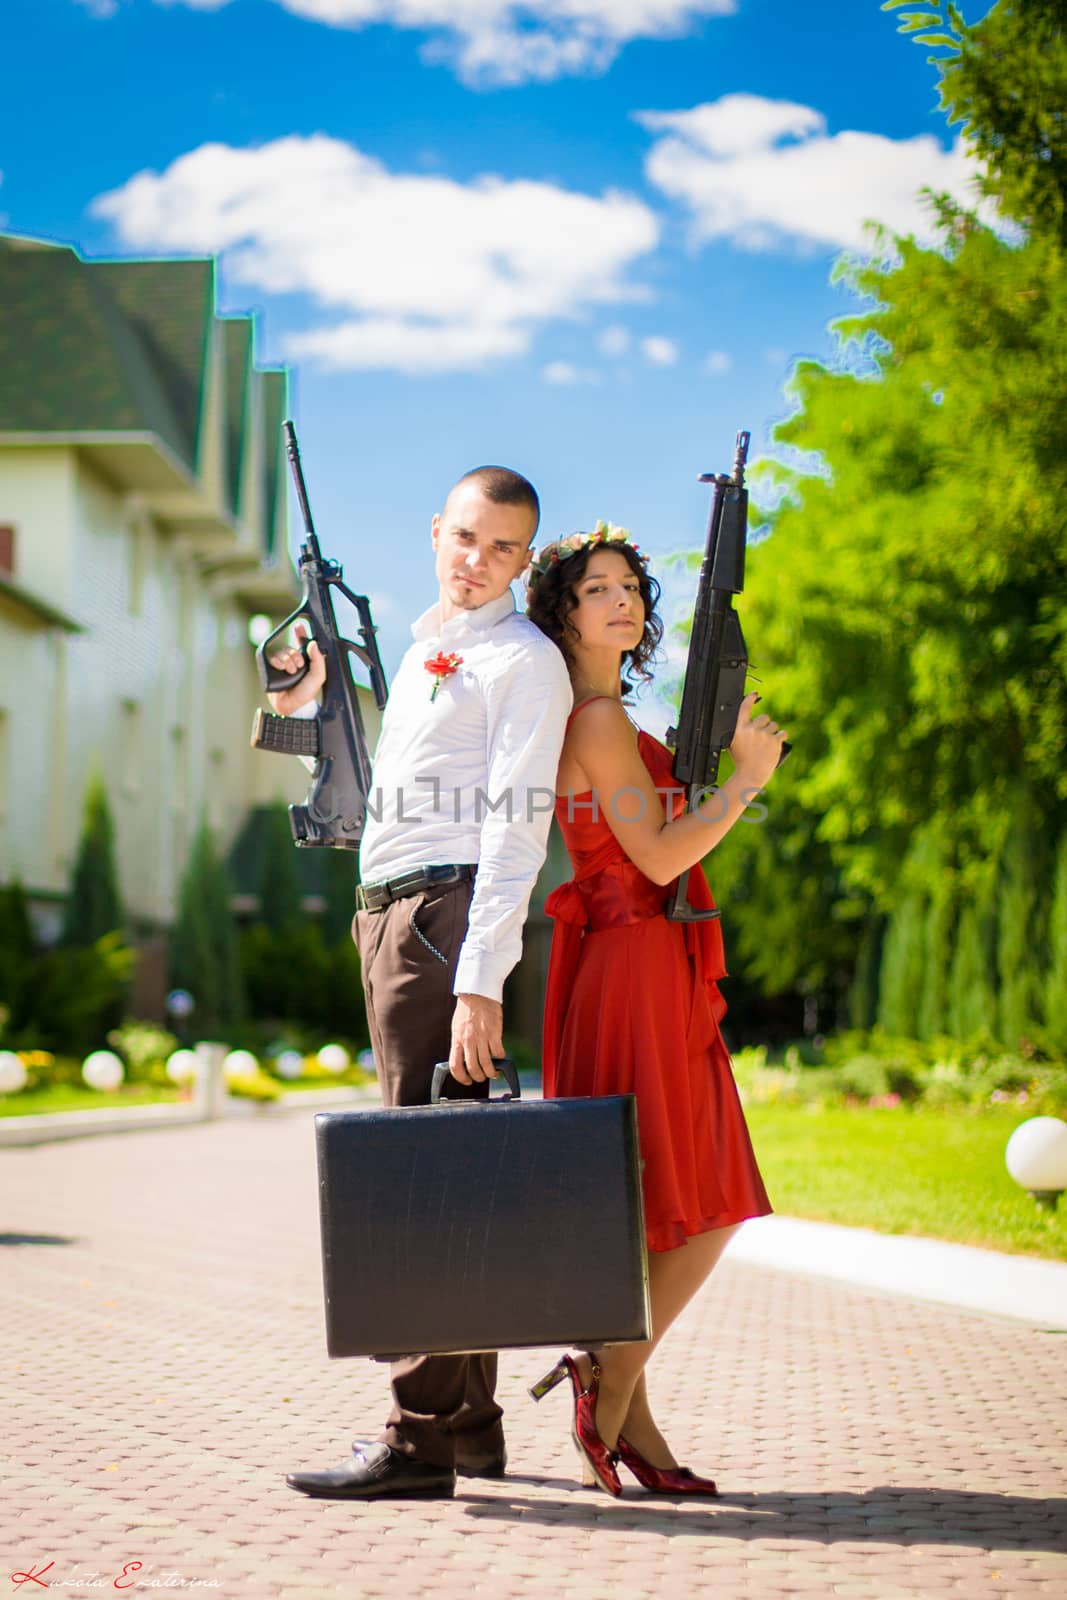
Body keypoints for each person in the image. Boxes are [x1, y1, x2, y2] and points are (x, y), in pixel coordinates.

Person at [276, 466, 572, 1501]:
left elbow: (513, 824)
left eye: (498, 547)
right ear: (434, 532)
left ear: (522, 560)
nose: (474, 559)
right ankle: (473, 1425)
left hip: (443, 922)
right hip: (393, 913)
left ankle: (415, 1438)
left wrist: (480, 979)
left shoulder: (521, 661)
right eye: (462, 537)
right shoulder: (417, 647)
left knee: (418, 1178)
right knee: (451, 1165)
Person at [524, 523, 785, 1498]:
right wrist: (744, 782)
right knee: (699, 1200)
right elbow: (662, 856)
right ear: (563, 613)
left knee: (673, 1200)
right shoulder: (592, 721)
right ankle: (608, 1372)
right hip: (631, 965)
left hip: (643, 963)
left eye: (629, 585)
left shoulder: (611, 721)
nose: (621, 599)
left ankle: (626, 1409)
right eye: (596, 588)